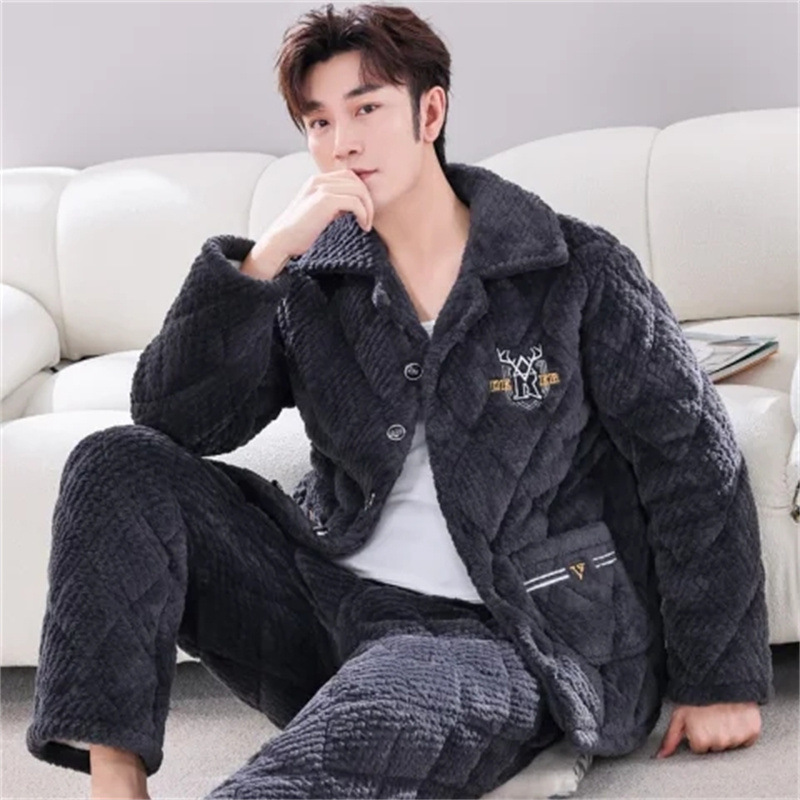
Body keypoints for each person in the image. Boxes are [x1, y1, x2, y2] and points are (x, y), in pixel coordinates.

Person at [26, 3, 773, 799]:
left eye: (366, 109)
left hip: (504, 633)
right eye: (318, 121)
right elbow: (173, 420)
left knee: (369, 721)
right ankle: (116, 783)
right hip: (324, 604)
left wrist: (719, 677)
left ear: (430, 112)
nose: (340, 142)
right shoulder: (310, 281)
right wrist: (267, 257)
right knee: (115, 460)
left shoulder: (575, 268)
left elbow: (691, 458)